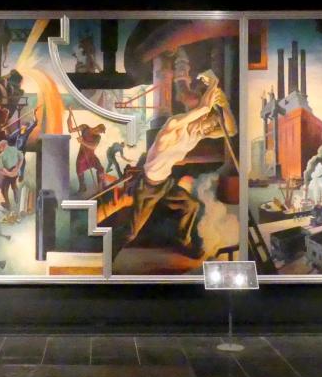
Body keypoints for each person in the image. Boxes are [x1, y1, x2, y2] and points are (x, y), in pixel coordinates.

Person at [124, 70, 236, 252]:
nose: (209, 129)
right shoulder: (173, 126)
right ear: (199, 117)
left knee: (190, 205)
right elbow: (204, 108)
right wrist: (214, 82)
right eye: (208, 123)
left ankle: (183, 241)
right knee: (132, 232)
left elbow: (231, 131)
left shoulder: (197, 133)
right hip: (147, 187)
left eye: (211, 125)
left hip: (165, 184)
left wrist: (225, 106)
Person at [67, 108, 106, 194]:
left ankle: (100, 188)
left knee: (101, 169)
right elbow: (70, 129)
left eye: (101, 132)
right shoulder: (85, 127)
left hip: (91, 156)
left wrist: (82, 142)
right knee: (79, 170)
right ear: (98, 128)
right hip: (82, 156)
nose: (99, 133)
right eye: (100, 131)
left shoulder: (98, 137)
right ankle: (82, 187)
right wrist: (70, 114)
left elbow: (93, 146)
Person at [0, 139, 23, 212]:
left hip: (7, 175)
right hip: (15, 173)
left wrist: (8, 173)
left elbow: (0, 168)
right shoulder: (14, 149)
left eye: (0, 148)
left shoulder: (1, 156)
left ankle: (8, 205)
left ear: (2, 146)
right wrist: (17, 168)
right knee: (14, 184)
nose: (0, 150)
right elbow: (21, 158)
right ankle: (16, 196)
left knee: (4, 190)